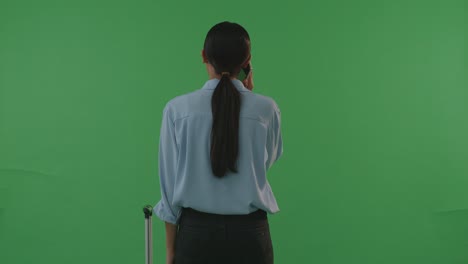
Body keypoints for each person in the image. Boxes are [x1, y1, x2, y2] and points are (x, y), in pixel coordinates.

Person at [153, 21, 283, 264]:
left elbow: (169, 186)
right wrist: (248, 95)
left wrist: (171, 253)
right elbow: (264, 163)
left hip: (196, 237)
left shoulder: (176, 109)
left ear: (203, 56)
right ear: (247, 61)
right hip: (251, 237)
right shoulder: (267, 109)